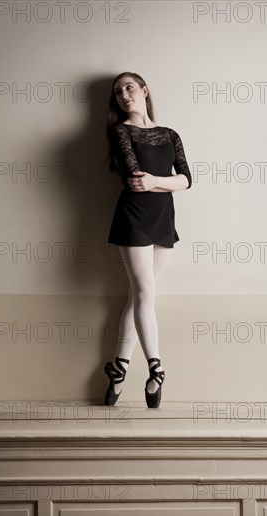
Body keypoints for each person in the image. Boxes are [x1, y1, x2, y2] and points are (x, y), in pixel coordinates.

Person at [104, 71, 192, 408]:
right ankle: (156, 368)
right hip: (134, 217)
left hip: (163, 219)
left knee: (140, 295)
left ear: (144, 90)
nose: (124, 94)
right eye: (117, 92)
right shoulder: (121, 131)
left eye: (128, 87)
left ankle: (118, 368)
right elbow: (135, 180)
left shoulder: (170, 134)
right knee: (144, 293)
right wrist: (164, 181)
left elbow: (187, 180)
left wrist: (160, 180)